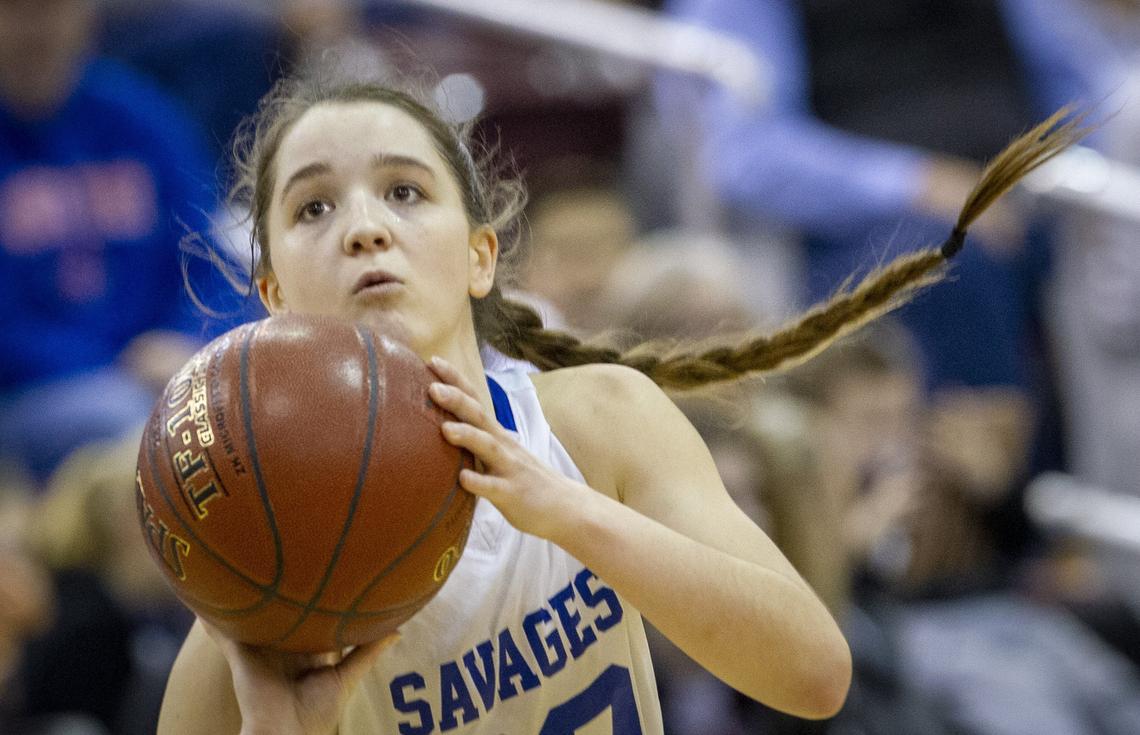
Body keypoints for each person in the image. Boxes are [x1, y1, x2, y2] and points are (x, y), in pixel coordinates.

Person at [155, 73, 1079, 733]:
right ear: (271, 291)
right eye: (313, 209)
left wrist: (571, 513)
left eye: (405, 191)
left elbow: (814, 673)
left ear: (481, 255)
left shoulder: (598, 420)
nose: (364, 226)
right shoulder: (245, 574)